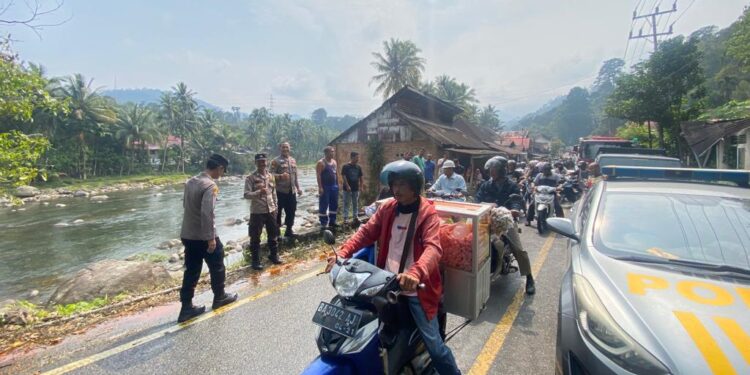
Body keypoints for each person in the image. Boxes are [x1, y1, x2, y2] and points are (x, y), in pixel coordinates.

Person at [325, 161, 461, 375]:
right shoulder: (388, 208)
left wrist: (414, 273)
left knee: (435, 347)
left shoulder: (428, 215)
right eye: (394, 184)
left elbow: (433, 248)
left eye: (402, 184)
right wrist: (343, 252)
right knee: (364, 328)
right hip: (385, 284)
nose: (396, 189)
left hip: (416, 288)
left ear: (415, 186)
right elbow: (366, 232)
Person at [178, 154, 238, 322]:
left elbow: (185, 205)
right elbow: (207, 213)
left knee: (191, 270)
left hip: (188, 234)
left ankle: (186, 307)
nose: (222, 174)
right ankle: (220, 297)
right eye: (223, 171)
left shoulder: (190, 182)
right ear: (219, 168)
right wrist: (210, 238)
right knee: (217, 265)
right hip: (203, 236)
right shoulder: (210, 185)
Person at [475, 156, 535, 295]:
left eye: (494, 169)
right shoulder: (485, 185)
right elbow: (477, 199)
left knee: (518, 249)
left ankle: (529, 277)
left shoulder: (512, 185)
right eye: (490, 169)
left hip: (505, 221)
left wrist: (515, 209)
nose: (491, 171)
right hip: (486, 220)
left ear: (502, 170)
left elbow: (517, 200)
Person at [244, 153, 282, 270]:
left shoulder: (271, 176)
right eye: (260, 161)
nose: (262, 163)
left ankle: (273, 255)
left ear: (267, 162)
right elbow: (246, 195)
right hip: (257, 212)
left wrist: (276, 207)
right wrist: (258, 192)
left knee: (273, 234)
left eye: (264, 161)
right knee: (255, 237)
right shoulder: (250, 178)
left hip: (271, 210)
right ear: (256, 163)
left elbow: (274, 193)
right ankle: (255, 261)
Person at [270, 142, 302, 238]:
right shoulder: (275, 161)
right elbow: (270, 175)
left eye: (287, 147)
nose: (285, 149)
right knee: (278, 211)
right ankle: (277, 232)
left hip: (291, 191)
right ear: (280, 148)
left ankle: (289, 230)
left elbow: (295, 176)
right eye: (283, 147)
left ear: (289, 148)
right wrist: (280, 176)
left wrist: (298, 188)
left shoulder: (293, 160)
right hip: (280, 191)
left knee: (291, 210)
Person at [316, 146, 339, 231]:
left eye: (333, 151)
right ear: (326, 153)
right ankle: (323, 223)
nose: (333, 153)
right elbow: (318, 175)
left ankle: (332, 221)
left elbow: (336, 173)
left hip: (334, 186)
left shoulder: (334, 162)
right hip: (325, 187)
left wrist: (337, 184)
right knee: (324, 204)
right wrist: (320, 187)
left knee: (334, 204)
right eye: (331, 152)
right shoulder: (321, 163)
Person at [341, 151, 365, 225]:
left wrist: (361, 186)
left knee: (355, 203)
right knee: (346, 203)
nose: (358, 159)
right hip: (347, 189)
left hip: (355, 188)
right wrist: (347, 185)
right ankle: (345, 218)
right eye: (356, 157)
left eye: (358, 157)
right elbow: (343, 176)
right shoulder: (346, 166)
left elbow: (361, 177)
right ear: (352, 157)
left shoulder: (358, 167)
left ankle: (355, 217)